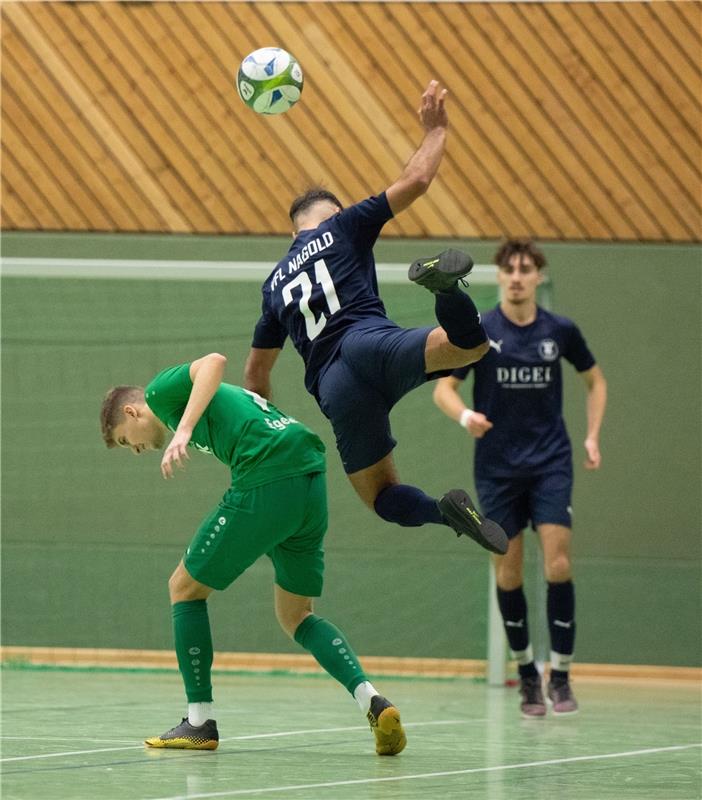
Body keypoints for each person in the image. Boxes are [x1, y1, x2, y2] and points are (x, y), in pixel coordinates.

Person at [243, 79, 507, 556]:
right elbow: (415, 183)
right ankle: (444, 288)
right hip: (372, 343)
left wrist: (268, 434)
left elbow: (256, 374)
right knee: (471, 345)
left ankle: (439, 510)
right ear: (334, 213)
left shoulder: (274, 285)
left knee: (382, 496)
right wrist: (435, 132)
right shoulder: (344, 227)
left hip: (334, 388)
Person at [100, 352, 407, 755]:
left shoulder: (159, 394)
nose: (136, 450)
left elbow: (213, 360)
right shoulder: (189, 407)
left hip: (270, 473)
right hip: (308, 478)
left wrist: (184, 430)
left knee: (184, 587)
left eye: (127, 440)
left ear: (132, 411)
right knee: (296, 615)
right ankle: (373, 701)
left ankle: (198, 722)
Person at [432, 239, 607, 717]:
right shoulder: (482, 330)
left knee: (558, 567)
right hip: (497, 469)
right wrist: (465, 416)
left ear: (537, 278)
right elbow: (444, 389)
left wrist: (592, 436)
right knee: (507, 570)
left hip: (550, 463)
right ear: (500, 277)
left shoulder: (560, 331)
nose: (515, 276)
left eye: (524, 269)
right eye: (508, 269)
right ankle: (527, 673)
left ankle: (563, 674)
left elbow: (595, 380)